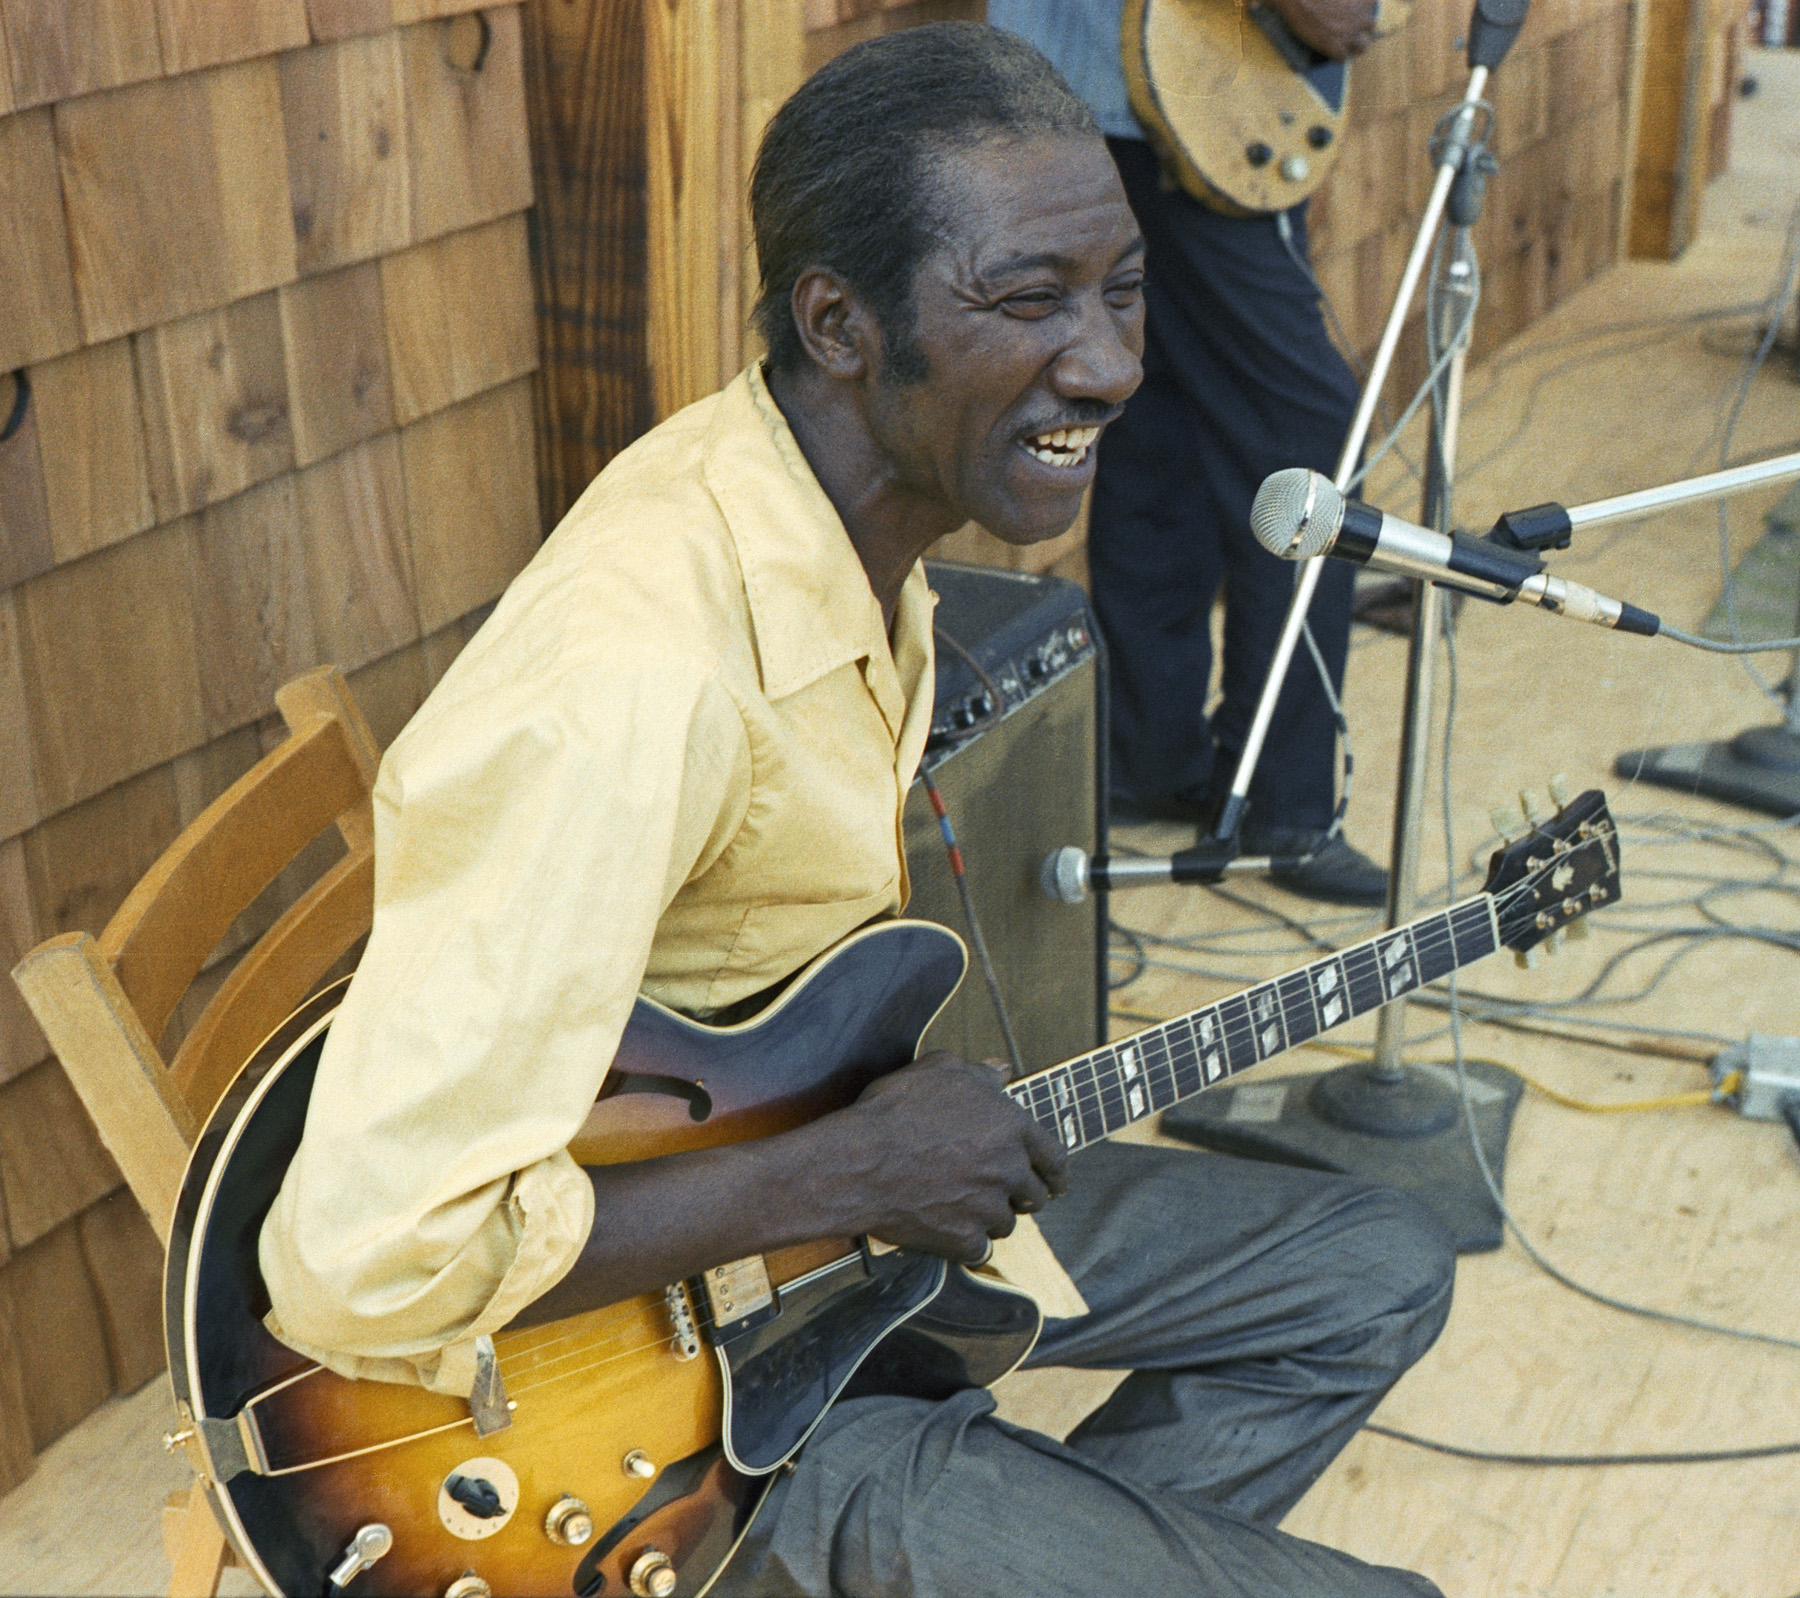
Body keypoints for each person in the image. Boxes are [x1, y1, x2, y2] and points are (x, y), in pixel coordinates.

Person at [258, 25, 1451, 1596]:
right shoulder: (636, 683)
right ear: (840, 320)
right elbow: (361, 1258)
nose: (1108, 362)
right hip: (642, 1422)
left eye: (1123, 289)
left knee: (1372, 1266)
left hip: (804, 1258)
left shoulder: (840, 530)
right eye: (1029, 300)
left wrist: (856, 1139)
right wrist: (845, 1175)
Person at [989, 0, 1390, 905]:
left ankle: (1148, 751)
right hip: (1190, 89)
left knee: (1157, 420)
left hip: (1113, 95)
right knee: (1308, 441)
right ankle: (1283, 807)